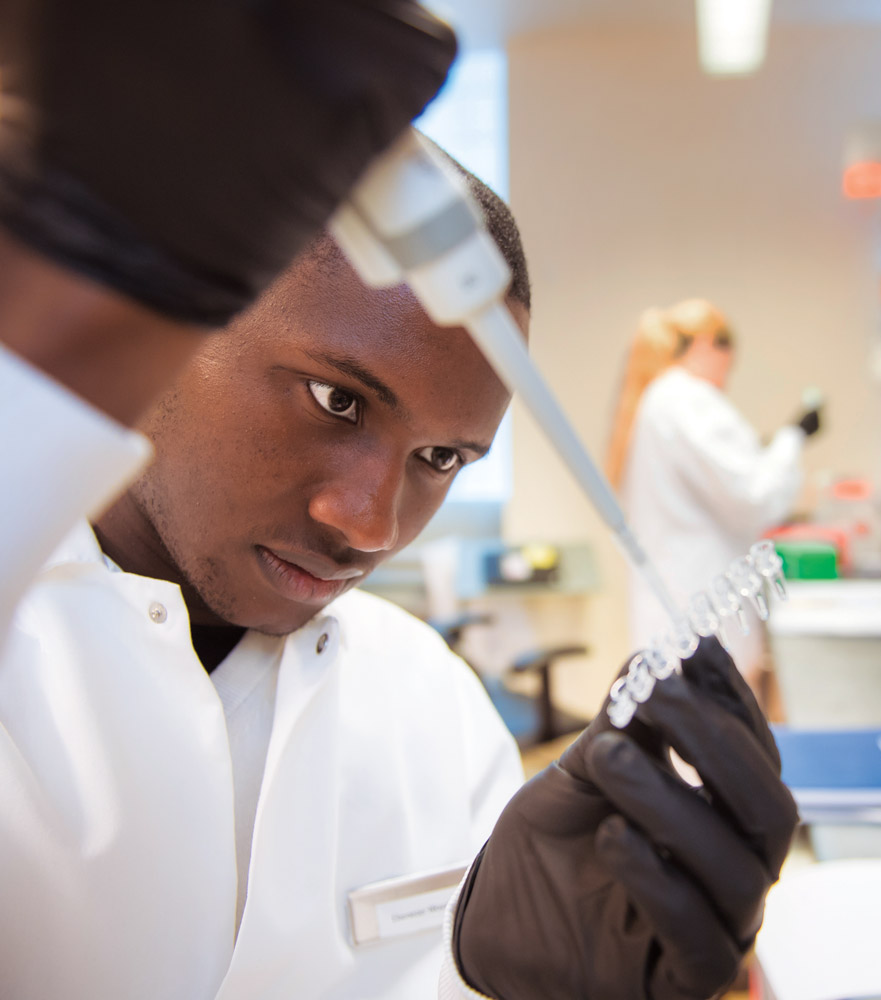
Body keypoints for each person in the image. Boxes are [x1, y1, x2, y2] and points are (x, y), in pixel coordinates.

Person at [0, 4, 798, 998]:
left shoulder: (430, 701)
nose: (369, 523)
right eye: (336, 399)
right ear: (184, 316)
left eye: (441, 457)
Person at [606, 300, 822, 689]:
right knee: (709, 740)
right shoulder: (686, 399)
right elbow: (756, 495)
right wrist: (794, 437)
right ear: (708, 345)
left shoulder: (663, 399)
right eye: (729, 359)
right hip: (700, 619)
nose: (728, 374)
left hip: (682, 616)